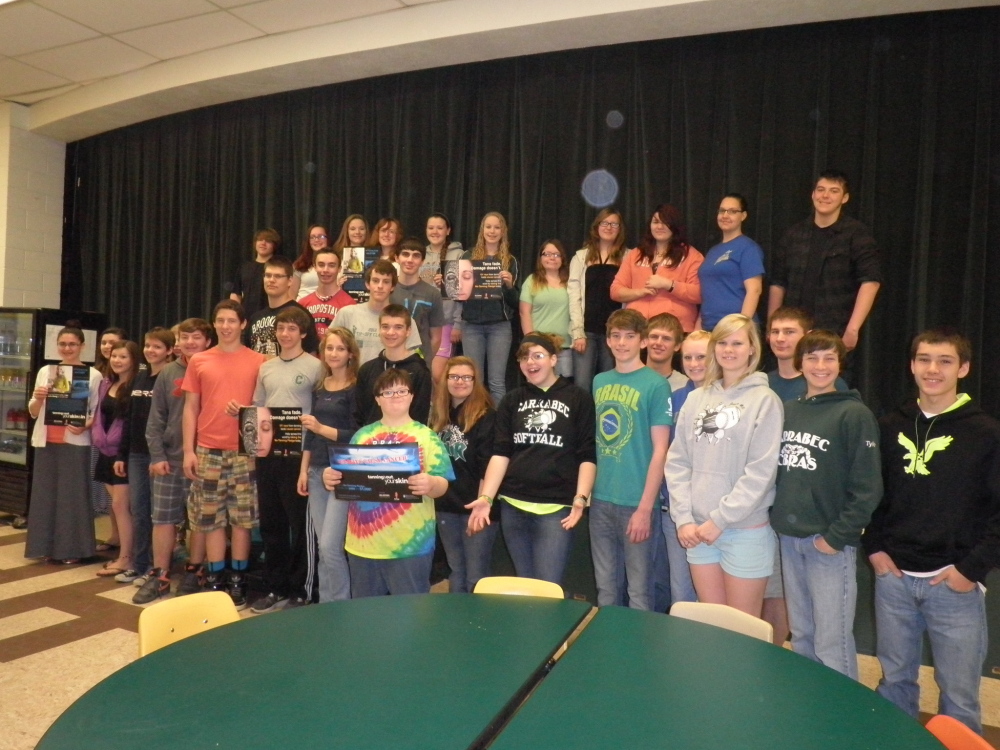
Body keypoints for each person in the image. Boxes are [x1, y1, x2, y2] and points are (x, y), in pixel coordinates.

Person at [862, 329, 1000, 734]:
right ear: (911, 365)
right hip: (894, 581)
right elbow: (873, 495)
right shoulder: (890, 425)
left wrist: (969, 570)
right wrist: (875, 550)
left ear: (964, 368)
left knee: (959, 699)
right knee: (895, 686)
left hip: (953, 586)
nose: (933, 369)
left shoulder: (987, 434)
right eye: (924, 359)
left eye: (944, 361)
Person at [771, 330, 881, 678]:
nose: (820, 366)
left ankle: (846, 721)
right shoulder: (789, 410)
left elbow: (868, 487)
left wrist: (836, 538)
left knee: (831, 642)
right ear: (800, 364)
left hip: (828, 545)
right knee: (802, 635)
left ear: (840, 364)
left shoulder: (853, 414)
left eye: (829, 358)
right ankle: (810, 714)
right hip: (790, 540)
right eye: (813, 358)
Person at [666, 314, 782, 616]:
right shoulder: (695, 399)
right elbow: (678, 463)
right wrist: (684, 519)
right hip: (698, 533)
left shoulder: (765, 400)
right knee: (714, 629)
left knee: (743, 634)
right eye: (722, 343)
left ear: (752, 349)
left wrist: (720, 520)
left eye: (737, 343)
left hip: (744, 531)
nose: (728, 350)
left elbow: (761, 472)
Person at [467, 333, 596, 586]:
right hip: (514, 505)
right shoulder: (512, 400)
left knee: (548, 586)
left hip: (555, 508)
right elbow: (501, 453)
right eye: (524, 357)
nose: (530, 362)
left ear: (553, 359)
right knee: (525, 585)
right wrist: (486, 497)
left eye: (538, 355)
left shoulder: (578, 398)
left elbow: (587, 454)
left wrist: (581, 497)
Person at [322, 369, 454, 597]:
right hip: (363, 547)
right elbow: (344, 479)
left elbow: (443, 485)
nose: (395, 396)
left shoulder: (428, 437)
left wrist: (431, 483)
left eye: (402, 390)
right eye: (388, 392)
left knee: (411, 620)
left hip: (410, 547)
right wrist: (330, 477)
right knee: (368, 619)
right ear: (377, 398)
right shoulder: (361, 437)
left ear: (412, 396)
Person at [182, 300, 267, 609]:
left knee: (242, 520)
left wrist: (249, 415)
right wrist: (188, 450)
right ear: (214, 324)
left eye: (232, 320)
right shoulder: (199, 360)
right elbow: (191, 407)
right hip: (207, 449)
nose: (226, 326)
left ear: (243, 324)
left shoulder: (260, 361)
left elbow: (266, 410)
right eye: (221, 320)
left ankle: (238, 580)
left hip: (244, 451)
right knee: (211, 519)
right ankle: (216, 579)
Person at [591, 309, 671, 610]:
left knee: (639, 591)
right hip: (601, 499)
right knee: (606, 588)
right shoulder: (599, 381)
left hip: (636, 501)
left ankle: (637, 652)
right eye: (615, 336)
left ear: (642, 341)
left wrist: (645, 508)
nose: (621, 343)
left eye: (629, 336)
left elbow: (660, 449)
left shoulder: (655, 384)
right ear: (608, 341)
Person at [247, 306, 325, 613]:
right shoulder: (266, 367)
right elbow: (258, 409)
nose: (285, 334)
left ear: (303, 333)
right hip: (269, 455)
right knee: (271, 523)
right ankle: (275, 586)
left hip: (299, 457)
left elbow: (320, 411)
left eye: (292, 328)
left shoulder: (316, 367)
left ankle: (301, 588)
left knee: (299, 525)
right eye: (281, 328)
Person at [133, 318, 213, 604]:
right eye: (185, 337)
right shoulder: (168, 373)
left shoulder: (212, 369)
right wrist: (156, 456)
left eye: (196, 338)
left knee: (201, 522)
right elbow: (155, 420)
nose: (190, 343)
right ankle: (161, 574)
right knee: (163, 519)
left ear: (208, 342)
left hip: (204, 461)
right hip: (169, 460)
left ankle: (194, 570)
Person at [768, 170, 882, 353]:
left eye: (834, 191)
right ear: (813, 194)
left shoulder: (857, 234)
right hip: (793, 332)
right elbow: (777, 283)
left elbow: (870, 282)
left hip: (834, 329)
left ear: (845, 198)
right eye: (820, 189)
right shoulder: (793, 235)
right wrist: (772, 325)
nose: (825, 195)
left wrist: (853, 329)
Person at [24, 327, 102, 564]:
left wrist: (85, 426)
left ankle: (72, 549)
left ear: (82, 346)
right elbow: (33, 411)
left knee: (72, 497)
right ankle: (44, 546)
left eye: (72, 344)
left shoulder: (93, 375)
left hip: (75, 442)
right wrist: (38, 397)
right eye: (63, 344)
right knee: (44, 497)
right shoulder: (46, 371)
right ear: (56, 345)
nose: (67, 348)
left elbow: (95, 413)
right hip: (46, 441)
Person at [299, 327, 360, 602]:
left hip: (342, 472)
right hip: (315, 471)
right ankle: (326, 605)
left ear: (350, 354)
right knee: (323, 548)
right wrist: (303, 470)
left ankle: (341, 604)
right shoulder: (320, 387)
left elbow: (358, 436)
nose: (333, 353)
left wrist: (322, 428)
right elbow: (310, 435)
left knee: (331, 546)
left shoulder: (356, 389)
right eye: (329, 348)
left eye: (339, 348)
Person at [431, 356, 497, 593]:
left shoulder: (486, 416)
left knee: (476, 576)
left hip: (474, 506)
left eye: (466, 377)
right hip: (446, 506)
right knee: (456, 570)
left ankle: (477, 625)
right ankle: (457, 623)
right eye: (454, 376)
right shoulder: (439, 415)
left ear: (475, 381)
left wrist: (480, 508)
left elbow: (487, 467)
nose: (460, 382)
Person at [655, 329, 710, 608]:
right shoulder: (676, 397)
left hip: (716, 516)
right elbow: (668, 456)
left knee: (713, 600)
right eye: (688, 357)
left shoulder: (730, 400)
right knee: (682, 592)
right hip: (677, 512)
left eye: (702, 356)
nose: (694, 363)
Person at [117, 327, 174, 586]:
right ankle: (138, 565)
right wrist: (121, 453)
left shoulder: (170, 378)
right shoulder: (139, 378)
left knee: (157, 514)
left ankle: (155, 566)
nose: (151, 351)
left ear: (169, 351)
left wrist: (159, 455)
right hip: (136, 454)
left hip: (159, 456)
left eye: (158, 347)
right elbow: (129, 420)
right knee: (138, 510)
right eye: (148, 345)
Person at [457, 212, 520, 403]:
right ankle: (474, 424)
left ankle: (498, 426)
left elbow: (515, 302)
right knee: (474, 380)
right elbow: (458, 294)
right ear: (482, 230)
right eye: (488, 227)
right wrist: (445, 283)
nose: (492, 231)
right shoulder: (467, 256)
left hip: (499, 327)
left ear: (503, 232)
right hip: (471, 326)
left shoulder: (510, 261)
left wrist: (509, 285)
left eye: (497, 227)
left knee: (497, 382)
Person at [610, 204, 703, 332]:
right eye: (655, 222)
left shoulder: (691, 255)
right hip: (638, 329)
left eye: (665, 223)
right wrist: (641, 292)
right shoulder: (635, 254)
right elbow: (615, 291)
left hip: (674, 330)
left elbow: (699, 294)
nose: (659, 226)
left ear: (675, 226)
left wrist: (669, 285)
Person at [93, 340, 141, 579]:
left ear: (133, 360)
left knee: (121, 506)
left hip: (124, 454)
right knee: (119, 506)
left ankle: (126, 557)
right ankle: (126, 553)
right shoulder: (107, 384)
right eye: (114, 356)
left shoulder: (135, 387)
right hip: (105, 451)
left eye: (123, 356)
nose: (117, 360)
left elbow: (131, 425)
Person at [568, 208, 626, 394]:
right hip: (587, 332)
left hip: (615, 333)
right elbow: (574, 296)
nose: (609, 227)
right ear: (596, 227)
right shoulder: (580, 257)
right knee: (582, 387)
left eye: (614, 224)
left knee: (609, 387)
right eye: (604, 223)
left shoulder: (629, 257)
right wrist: (578, 332)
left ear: (620, 229)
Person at [332, 260, 422, 365]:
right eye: (375, 280)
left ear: (392, 287)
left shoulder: (405, 320)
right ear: (367, 284)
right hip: (354, 379)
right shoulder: (346, 314)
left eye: (386, 281)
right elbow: (330, 348)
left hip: (389, 379)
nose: (380, 286)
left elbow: (411, 359)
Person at [355, 304, 432, 425]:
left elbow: (420, 418)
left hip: (405, 442)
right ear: (379, 329)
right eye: (385, 327)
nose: (391, 332)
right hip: (370, 440)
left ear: (408, 331)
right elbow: (358, 415)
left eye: (398, 327)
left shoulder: (419, 371)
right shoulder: (367, 369)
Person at [697, 193, 765, 331]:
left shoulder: (748, 248)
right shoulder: (712, 251)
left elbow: (754, 290)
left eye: (733, 211)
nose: (725, 215)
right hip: (709, 327)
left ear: (743, 216)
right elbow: (708, 292)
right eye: (722, 211)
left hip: (734, 329)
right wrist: (697, 329)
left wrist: (741, 327)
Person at [767, 307, 849, 401]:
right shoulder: (764, 382)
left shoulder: (827, 381)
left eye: (789, 332)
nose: (780, 339)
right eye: (775, 332)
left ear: (807, 335)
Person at [244, 255, 319, 357]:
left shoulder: (300, 314)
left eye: (278, 276)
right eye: (268, 275)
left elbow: (311, 355)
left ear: (290, 281)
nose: (271, 280)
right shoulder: (255, 317)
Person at [520, 240, 573, 378]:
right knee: (537, 388)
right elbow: (524, 312)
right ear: (540, 258)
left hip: (565, 347)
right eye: (547, 254)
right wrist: (531, 341)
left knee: (563, 389)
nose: (552, 258)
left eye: (556, 254)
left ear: (563, 258)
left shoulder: (571, 282)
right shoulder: (532, 280)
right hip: (539, 348)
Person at [426, 213, 464, 385]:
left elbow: (462, 294)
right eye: (431, 227)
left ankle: (441, 411)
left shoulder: (459, 255)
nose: (435, 231)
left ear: (448, 231)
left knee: (438, 374)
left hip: (446, 323)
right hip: (422, 324)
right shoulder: (420, 254)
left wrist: (458, 323)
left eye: (440, 228)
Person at [390, 238, 445, 359]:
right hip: (390, 360)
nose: (410, 260)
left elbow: (436, 338)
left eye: (416, 256)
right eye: (405, 254)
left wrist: (424, 362)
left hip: (420, 363)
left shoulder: (433, 294)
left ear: (422, 261)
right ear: (396, 258)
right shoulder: (388, 291)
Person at [298, 247, 356, 339]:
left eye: (331, 265)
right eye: (321, 265)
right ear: (314, 267)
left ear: (339, 269)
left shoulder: (350, 305)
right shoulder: (302, 304)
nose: (325, 270)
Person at [230, 228, 281, 317]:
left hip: (271, 316)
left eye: (268, 241)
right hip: (247, 317)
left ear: (274, 245)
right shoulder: (244, 267)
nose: (263, 243)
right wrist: (234, 315)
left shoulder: (279, 267)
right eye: (260, 240)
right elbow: (236, 294)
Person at [645, 313, 689, 394]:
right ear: (645, 340)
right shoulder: (629, 378)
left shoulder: (685, 385)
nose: (658, 343)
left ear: (677, 346)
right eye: (654, 336)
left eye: (666, 339)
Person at [293, 224, 329, 300]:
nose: (316, 240)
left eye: (321, 236)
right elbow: (291, 294)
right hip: (302, 309)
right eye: (312, 237)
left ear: (328, 239)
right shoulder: (300, 264)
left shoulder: (337, 263)